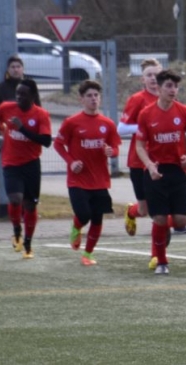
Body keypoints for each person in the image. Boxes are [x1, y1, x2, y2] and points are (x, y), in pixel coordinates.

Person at [53, 80, 121, 266]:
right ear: (81, 99)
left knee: (97, 219)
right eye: (89, 96)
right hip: (78, 180)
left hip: (100, 180)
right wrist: (71, 162)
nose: (93, 99)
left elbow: (115, 148)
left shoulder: (107, 124)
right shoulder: (72, 122)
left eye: (96, 95)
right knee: (84, 215)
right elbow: (58, 144)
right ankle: (76, 227)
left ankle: (88, 254)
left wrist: (112, 152)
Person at [134, 69, 186, 275]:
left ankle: (160, 229)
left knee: (181, 221)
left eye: (176, 86)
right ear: (159, 88)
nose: (173, 90)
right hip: (156, 171)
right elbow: (140, 145)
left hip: (177, 170)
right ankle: (161, 261)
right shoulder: (146, 113)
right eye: (169, 86)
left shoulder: (184, 112)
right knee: (160, 219)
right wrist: (150, 165)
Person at [0, 79, 52, 259]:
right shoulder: (6, 108)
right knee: (15, 198)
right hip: (11, 162)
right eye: (17, 93)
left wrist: (22, 129)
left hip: (31, 164)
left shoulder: (41, 114)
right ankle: (17, 229)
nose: (19, 97)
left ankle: (28, 242)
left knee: (30, 205)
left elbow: (46, 141)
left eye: (23, 94)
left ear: (33, 96)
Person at [119, 59, 160, 242]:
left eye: (156, 74)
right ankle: (131, 211)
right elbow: (121, 129)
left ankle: (158, 245)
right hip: (138, 161)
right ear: (142, 79)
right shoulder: (137, 99)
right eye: (149, 75)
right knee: (144, 210)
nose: (153, 78)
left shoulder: (168, 99)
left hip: (160, 160)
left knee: (158, 207)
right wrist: (145, 127)